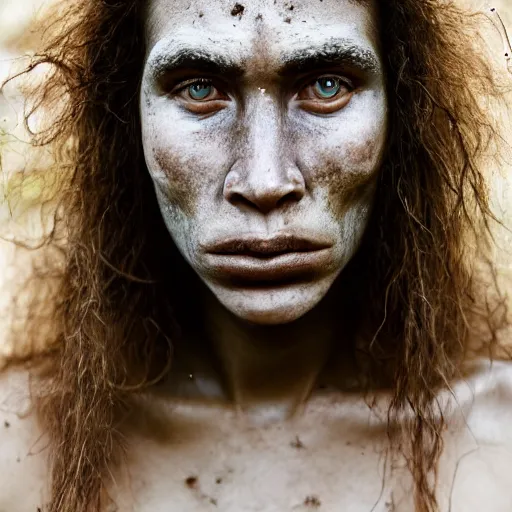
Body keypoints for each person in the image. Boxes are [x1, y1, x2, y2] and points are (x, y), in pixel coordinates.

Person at [0, 0, 511, 511]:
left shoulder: (498, 446)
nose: (265, 182)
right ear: (124, 112)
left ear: (403, 108)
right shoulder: (17, 447)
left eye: (327, 85)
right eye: (199, 87)